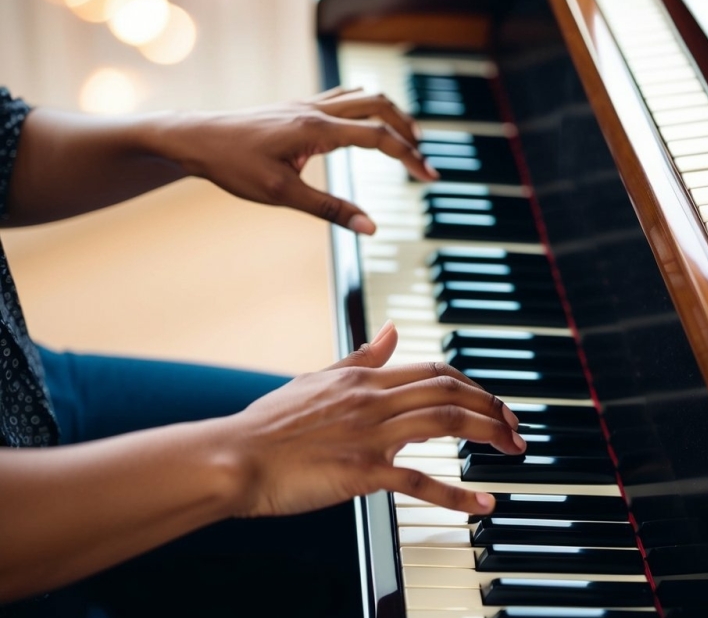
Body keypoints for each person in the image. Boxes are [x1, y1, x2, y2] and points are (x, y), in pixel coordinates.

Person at [0, 86, 525, 616]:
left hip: (28, 391)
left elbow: (4, 141)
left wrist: (180, 135)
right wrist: (249, 454)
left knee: (383, 504)